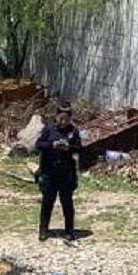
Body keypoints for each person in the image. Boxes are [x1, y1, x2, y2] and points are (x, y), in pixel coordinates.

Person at [35, 101, 82, 242]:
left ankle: (69, 231)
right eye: (60, 118)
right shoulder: (49, 129)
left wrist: (69, 147)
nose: (63, 122)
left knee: (67, 202)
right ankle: (43, 230)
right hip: (49, 172)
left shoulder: (73, 131)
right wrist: (52, 145)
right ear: (56, 117)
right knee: (47, 201)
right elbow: (39, 145)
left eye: (66, 119)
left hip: (66, 173)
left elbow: (79, 148)